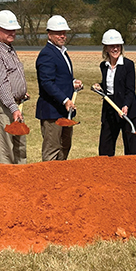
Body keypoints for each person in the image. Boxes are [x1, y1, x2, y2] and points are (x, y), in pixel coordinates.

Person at [35, 15, 83, 161]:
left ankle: (60, 180)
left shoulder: (62, 52)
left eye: (64, 32)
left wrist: (72, 82)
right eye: (58, 33)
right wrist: (65, 100)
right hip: (52, 112)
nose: (62, 36)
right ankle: (48, 181)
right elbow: (47, 83)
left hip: (64, 111)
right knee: (52, 149)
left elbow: (60, 77)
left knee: (64, 147)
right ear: (49, 34)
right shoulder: (47, 54)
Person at [0, 10, 28, 164]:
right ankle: (5, 185)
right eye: (8, 30)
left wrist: (20, 93)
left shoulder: (7, 48)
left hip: (14, 104)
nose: (12, 33)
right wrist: (13, 107)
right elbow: (1, 84)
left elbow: (11, 77)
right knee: (5, 149)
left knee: (19, 148)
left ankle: (21, 181)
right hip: (4, 106)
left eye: (14, 30)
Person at [93, 29, 136, 156]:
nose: (115, 49)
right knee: (105, 147)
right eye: (112, 46)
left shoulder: (128, 65)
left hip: (128, 110)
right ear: (106, 48)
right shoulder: (103, 66)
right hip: (110, 110)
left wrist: (125, 106)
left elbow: (130, 89)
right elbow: (111, 85)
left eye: (118, 46)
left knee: (130, 149)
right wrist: (100, 86)